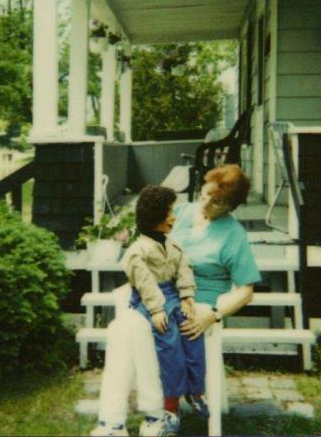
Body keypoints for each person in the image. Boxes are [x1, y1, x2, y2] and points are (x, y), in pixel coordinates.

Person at [91, 164, 261, 437]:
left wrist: (214, 314)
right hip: (158, 297)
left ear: (231, 207)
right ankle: (112, 423)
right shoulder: (180, 213)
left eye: (217, 202)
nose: (205, 203)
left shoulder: (234, 235)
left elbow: (246, 291)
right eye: (204, 194)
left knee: (147, 334)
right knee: (119, 330)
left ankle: (159, 414)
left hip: (198, 306)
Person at [124, 186, 209, 432]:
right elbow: (145, 283)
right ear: (156, 217)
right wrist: (156, 310)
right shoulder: (138, 251)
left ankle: (195, 391)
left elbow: (184, 269)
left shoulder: (173, 244)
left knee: (192, 330)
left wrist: (187, 296)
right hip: (149, 300)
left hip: (173, 296)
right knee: (169, 342)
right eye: (169, 213)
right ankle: (171, 406)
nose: (174, 217)